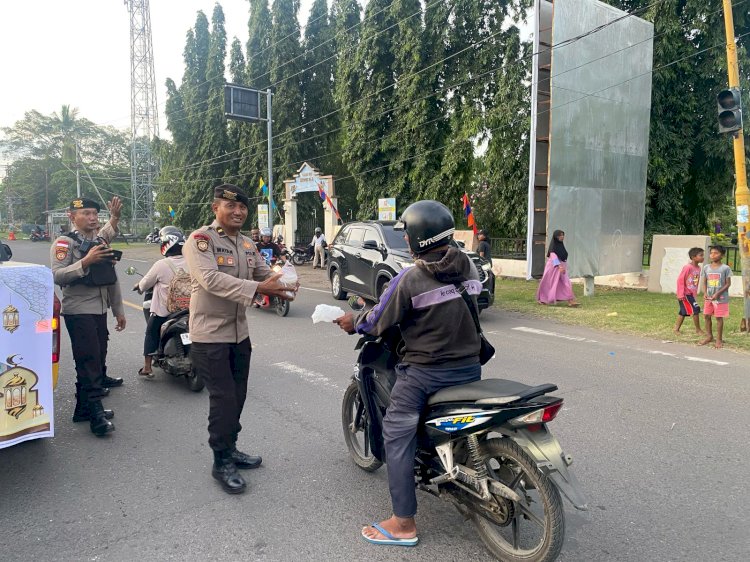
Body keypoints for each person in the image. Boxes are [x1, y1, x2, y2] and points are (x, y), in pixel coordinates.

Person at [334, 200, 482, 547]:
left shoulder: (411, 278)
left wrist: (351, 320)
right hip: (471, 367)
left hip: (427, 372)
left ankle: (403, 523)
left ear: (416, 238)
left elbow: (375, 319)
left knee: (396, 431)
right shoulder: (470, 268)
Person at [183, 184, 298, 494]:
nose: (237, 212)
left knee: (239, 394)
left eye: (242, 208)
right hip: (209, 336)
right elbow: (209, 280)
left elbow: (262, 272)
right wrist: (261, 290)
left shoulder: (247, 244)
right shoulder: (200, 241)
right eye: (230, 207)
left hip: (239, 334)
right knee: (223, 398)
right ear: (215, 208)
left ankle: (231, 447)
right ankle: (220, 461)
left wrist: (284, 281)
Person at [50, 197, 125, 437]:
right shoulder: (64, 243)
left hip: (99, 309)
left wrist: (118, 310)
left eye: (95, 213)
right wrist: (85, 262)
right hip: (78, 310)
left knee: (97, 355)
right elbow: (57, 275)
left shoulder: (99, 240)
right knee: (89, 360)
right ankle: (96, 414)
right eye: (86, 214)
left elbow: (110, 277)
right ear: (72, 216)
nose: (92, 218)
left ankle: (82, 409)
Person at [134, 226, 188, 378]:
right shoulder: (193, 262)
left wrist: (138, 286)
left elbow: (144, 284)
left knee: (151, 331)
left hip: (166, 311)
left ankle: (147, 367)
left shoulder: (161, 264)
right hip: (191, 308)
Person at [699, 245, 732, 348]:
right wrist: (705, 292)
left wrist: (718, 293)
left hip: (721, 299)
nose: (713, 255)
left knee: (718, 318)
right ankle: (709, 336)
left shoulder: (725, 268)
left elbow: (728, 284)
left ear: (722, 255)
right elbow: (704, 281)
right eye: (711, 253)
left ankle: (719, 339)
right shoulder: (706, 267)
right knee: (707, 316)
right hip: (709, 298)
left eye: (716, 253)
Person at [536, 230, 579, 307]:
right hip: (553, 268)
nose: (562, 237)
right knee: (548, 283)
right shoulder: (553, 246)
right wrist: (559, 266)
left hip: (561, 267)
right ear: (556, 237)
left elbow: (563, 257)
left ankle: (570, 300)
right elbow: (553, 257)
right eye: (560, 235)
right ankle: (542, 299)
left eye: (562, 235)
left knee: (566, 282)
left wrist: (562, 266)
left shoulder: (561, 246)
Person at [674, 247, 705, 335]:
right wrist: (680, 294)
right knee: (696, 310)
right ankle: (698, 330)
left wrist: (694, 293)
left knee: (683, 312)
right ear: (693, 257)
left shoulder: (698, 268)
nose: (703, 257)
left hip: (691, 294)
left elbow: (694, 282)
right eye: (701, 255)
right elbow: (680, 280)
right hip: (685, 294)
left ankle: (676, 329)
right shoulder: (688, 267)